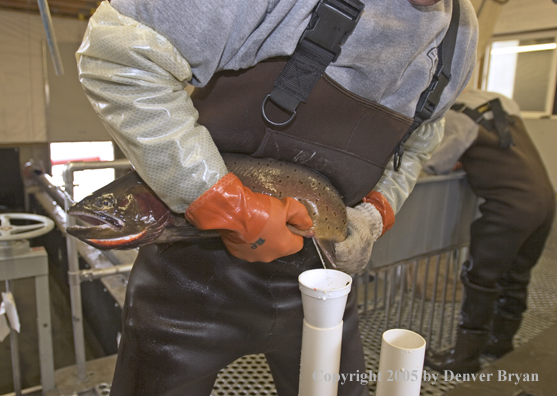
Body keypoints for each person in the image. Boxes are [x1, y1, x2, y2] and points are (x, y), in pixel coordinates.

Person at [75, 0, 478, 394]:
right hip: (187, 288)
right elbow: (118, 54)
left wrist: (375, 212)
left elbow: (419, 143)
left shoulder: (461, 32)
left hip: (324, 287)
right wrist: (218, 201)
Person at [423, 89, 555, 373]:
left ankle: (465, 358)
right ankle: (500, 343)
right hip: (546, 201)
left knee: (480, 279)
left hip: (509, 209)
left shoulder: (458, 118)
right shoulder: (505, 107)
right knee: (516, 277)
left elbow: (434, 163)